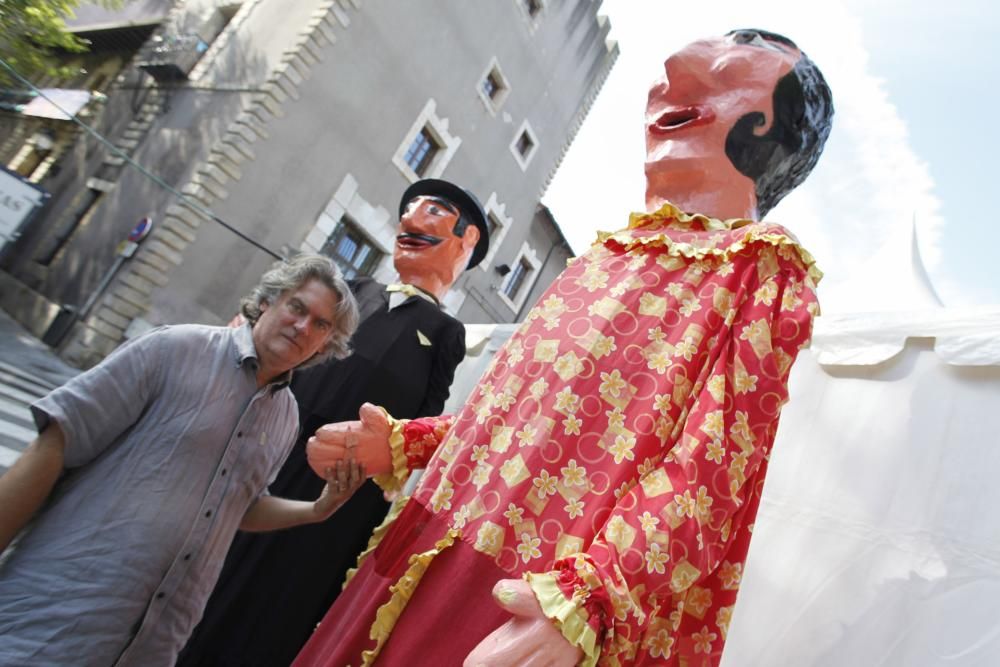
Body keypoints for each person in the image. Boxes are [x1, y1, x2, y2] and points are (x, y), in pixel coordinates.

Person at [296, 28, 833, 667]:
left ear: (766, 124)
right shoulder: (600, 258)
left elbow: (711, 472)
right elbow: (515, 411)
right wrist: (409, 443)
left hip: (537, 588)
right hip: (432, 534)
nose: (669, 72)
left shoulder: (759, 270)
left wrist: (592, 597)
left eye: (721, 68)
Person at [178, 179, 489, 666]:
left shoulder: (446, 333)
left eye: (433, 212)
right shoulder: (353, 292)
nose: (410, 219)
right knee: (221, 553)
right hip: (278, 444)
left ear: (465, 243)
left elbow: (426, 418)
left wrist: (394, 469)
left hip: (348, 484)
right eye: (408, 209)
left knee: (288, 590)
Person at [0, 254, 365, 666]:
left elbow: (241, 507)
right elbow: (57, 442)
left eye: (321, 324)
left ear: (327, 343)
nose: (303, 327)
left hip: (153, 647)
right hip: (53, 621)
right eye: (297, 307)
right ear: (269, 302)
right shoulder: (174, 348)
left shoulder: (286, 418)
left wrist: (317, 509)